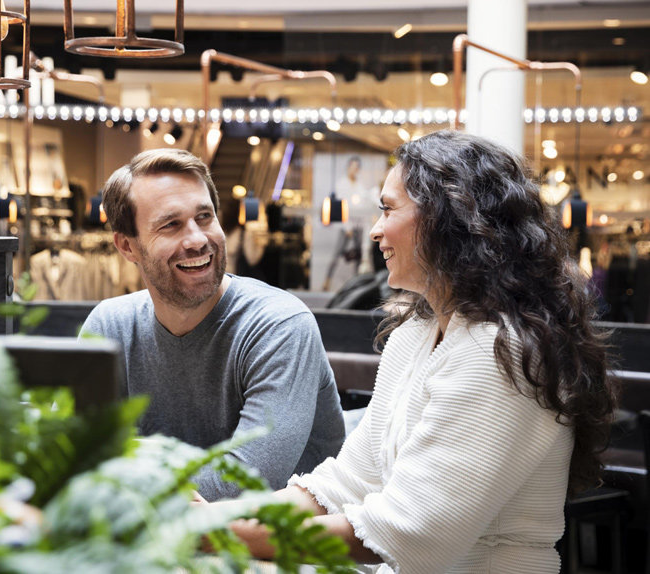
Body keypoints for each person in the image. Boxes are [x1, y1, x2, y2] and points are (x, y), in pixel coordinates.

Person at [200, 130, 616, 572]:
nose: (376, 230)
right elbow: (348, 482)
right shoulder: (414, 334)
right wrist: (218, 517)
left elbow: (411, 532)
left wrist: (215, 532)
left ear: (447, 218)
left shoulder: (500, 352)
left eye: (388, 209)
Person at [79, 148, 345, 501]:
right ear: (128, 247)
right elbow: (68, 456)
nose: (197, 239)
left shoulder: (279, 326)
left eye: (204, 218)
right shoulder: (110, 325)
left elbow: (244, 484)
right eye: (171, 225)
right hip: (155, 541)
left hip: (282, 548)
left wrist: (120, 466)